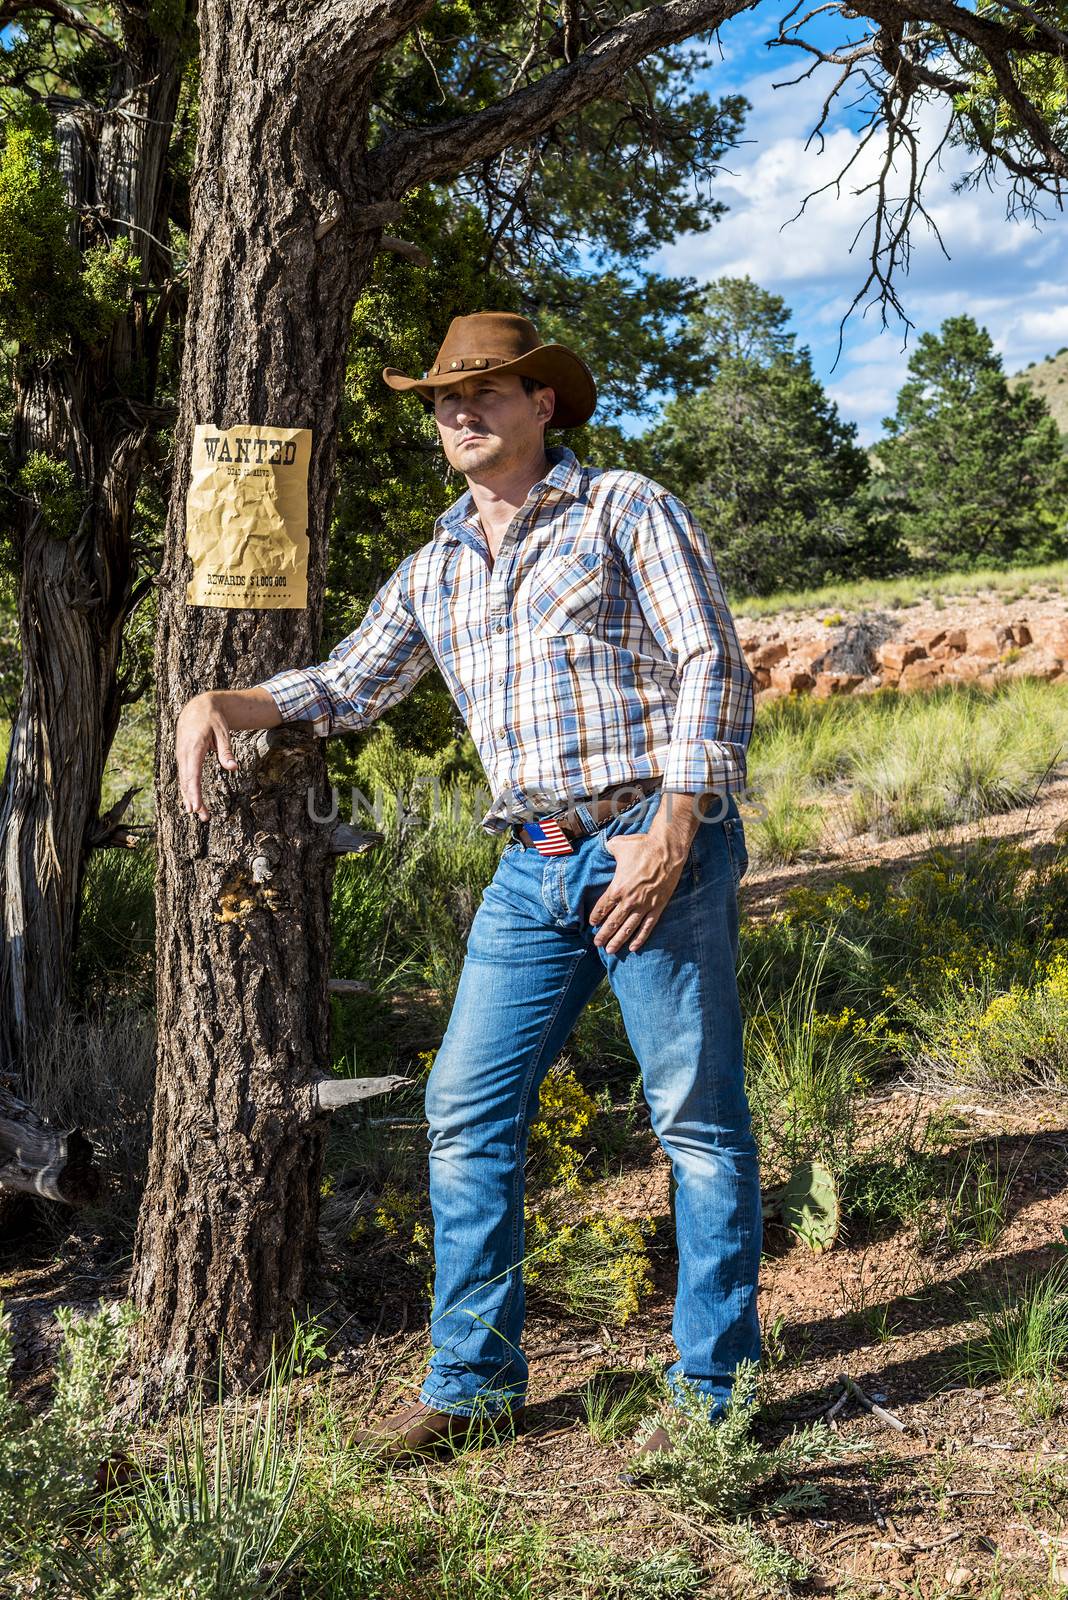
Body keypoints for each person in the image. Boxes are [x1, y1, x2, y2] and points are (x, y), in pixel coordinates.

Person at [176, 311, 761, 1463]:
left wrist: (678, 827)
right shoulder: (436, 564)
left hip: (652, 837)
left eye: (485, 392)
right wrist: (223, 705)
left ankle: (715, 1394)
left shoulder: (624, 508)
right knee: (463, 1108)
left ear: (543, 403)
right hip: (532, 864)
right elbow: (348, 683)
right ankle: (475, 1383)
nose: (459, 412)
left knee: (694, 1123)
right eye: (446, 398)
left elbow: (711, 660)